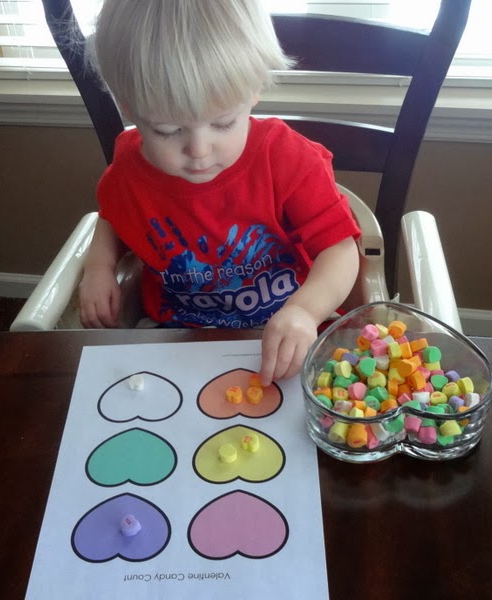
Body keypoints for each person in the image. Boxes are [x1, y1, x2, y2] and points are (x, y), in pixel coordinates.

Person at [78, 0, 360, 386]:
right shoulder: (129, 173)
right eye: (166, 130)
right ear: (129, 108)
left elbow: (340, 250)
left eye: (223, 123)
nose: (199, 150)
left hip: (288, 333)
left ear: (254, 89)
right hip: (178, 336)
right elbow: (112, 215)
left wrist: (305, 312)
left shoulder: (287, 159)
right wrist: (98, 268)